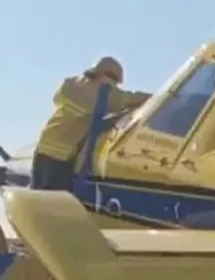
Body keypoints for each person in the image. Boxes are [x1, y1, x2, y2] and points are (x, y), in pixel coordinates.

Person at [32, 56, 152, 191]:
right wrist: (160, 97)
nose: (115, 84)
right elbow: (132, 98)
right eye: (116, 81)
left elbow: (57, 99)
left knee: (37, 196)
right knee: (55, 202)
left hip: (43, 146)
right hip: (60, 155)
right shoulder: (107, 93)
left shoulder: (71, 83)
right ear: (108, 75)